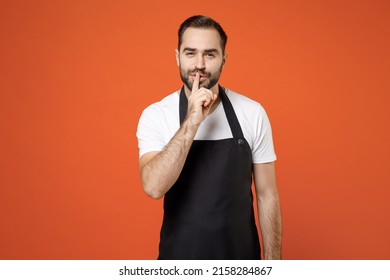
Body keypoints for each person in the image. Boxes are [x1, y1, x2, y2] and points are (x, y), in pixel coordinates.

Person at [137, 15, 282, 260]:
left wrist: (273, 267)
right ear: (177, 57)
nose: (200, 64)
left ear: (224, 59)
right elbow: (153, 187)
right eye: (190, 53)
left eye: (210, 54)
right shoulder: (157, 115)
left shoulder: (252, 112)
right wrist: (192, 121)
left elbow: (268, 195)